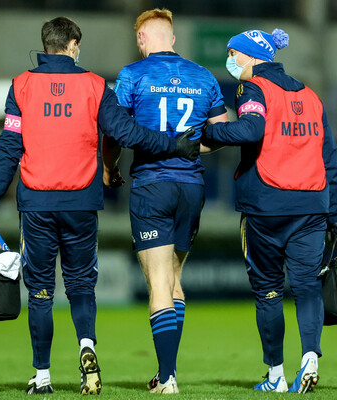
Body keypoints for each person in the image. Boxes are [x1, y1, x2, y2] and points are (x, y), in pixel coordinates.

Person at [0, 16, 199, 396]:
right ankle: (86, 347)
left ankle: (42, 376)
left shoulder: (22, 85)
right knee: (81, 284)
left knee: (41, 291)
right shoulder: (96, 85)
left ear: (45, 45)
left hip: (37, 203)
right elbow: (125, 132)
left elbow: (9, 147)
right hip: (81, 202)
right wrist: (173, 145)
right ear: (74, 45)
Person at [203, 28, 337, 394]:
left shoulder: (252, 88)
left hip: (266, 206)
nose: (230, 60)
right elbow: (329, 157)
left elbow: (250, 130)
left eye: (233, 53)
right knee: (308, 287)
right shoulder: (311, 95)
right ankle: (310, 358)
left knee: (268, 290)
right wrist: (333, 212)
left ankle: (276, 376)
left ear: (252, 56)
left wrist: (208, 134)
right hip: (312, 206)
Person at [110, 8, 228, 394]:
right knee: (175, 279)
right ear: (173, 39)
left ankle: (167, 377)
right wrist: (193, 148)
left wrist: (109, 167)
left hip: (152, 186)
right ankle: (167, 373)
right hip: (192, 188)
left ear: (141, 39)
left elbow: (115, 131)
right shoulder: (204, 76)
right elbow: (222, 134)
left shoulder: (132, 75)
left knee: (158, 280)